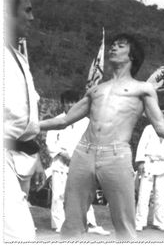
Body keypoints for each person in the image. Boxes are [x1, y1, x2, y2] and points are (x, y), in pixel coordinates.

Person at [40, 33, 164, 240]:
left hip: (116, 156)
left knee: (125, 225)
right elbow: (63, 120)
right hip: (83, 153)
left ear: (132, 56)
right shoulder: (96, 89)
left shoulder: (143, 88)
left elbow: (161, 127)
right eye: (113, 45)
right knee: (72, 222)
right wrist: (28, 126)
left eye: (120, 46)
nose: (113, 48)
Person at [3, 0, 45, 241]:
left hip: (22, 155)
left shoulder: (17, 57)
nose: (32, 17)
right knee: (22, 235)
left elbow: (23, 117)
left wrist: (35, 153)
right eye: (27, 10)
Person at [45, 90, 110, 235]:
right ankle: (59, 224)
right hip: (60, 164)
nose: (71, 105)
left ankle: (90, 223)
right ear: (63, 103)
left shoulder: (86, 122)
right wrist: (64, 154)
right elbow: (50, 144)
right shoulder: (56, 120)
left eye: (74, 102)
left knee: (84, 195)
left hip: (80, 164)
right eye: (67, 102)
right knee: (59, 195)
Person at [135, 104, 164, 232]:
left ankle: (159, 222)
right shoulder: (149, 128)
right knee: (144, 194)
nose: (161, 115)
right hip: (149, 162)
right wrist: (141, 162)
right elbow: (141, 146)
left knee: (160, 195)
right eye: (160, 112)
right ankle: (140, 222)